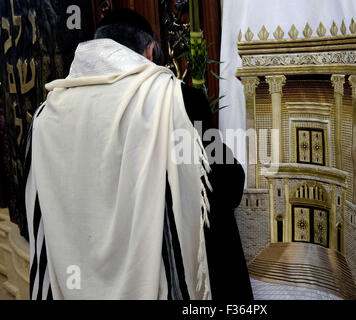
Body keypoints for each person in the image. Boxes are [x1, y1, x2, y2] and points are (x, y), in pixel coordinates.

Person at [23, 8, 252, 300]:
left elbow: (36, 208)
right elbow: (226, 185)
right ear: (148, 52)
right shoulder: (177, 102)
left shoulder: (45, 116)